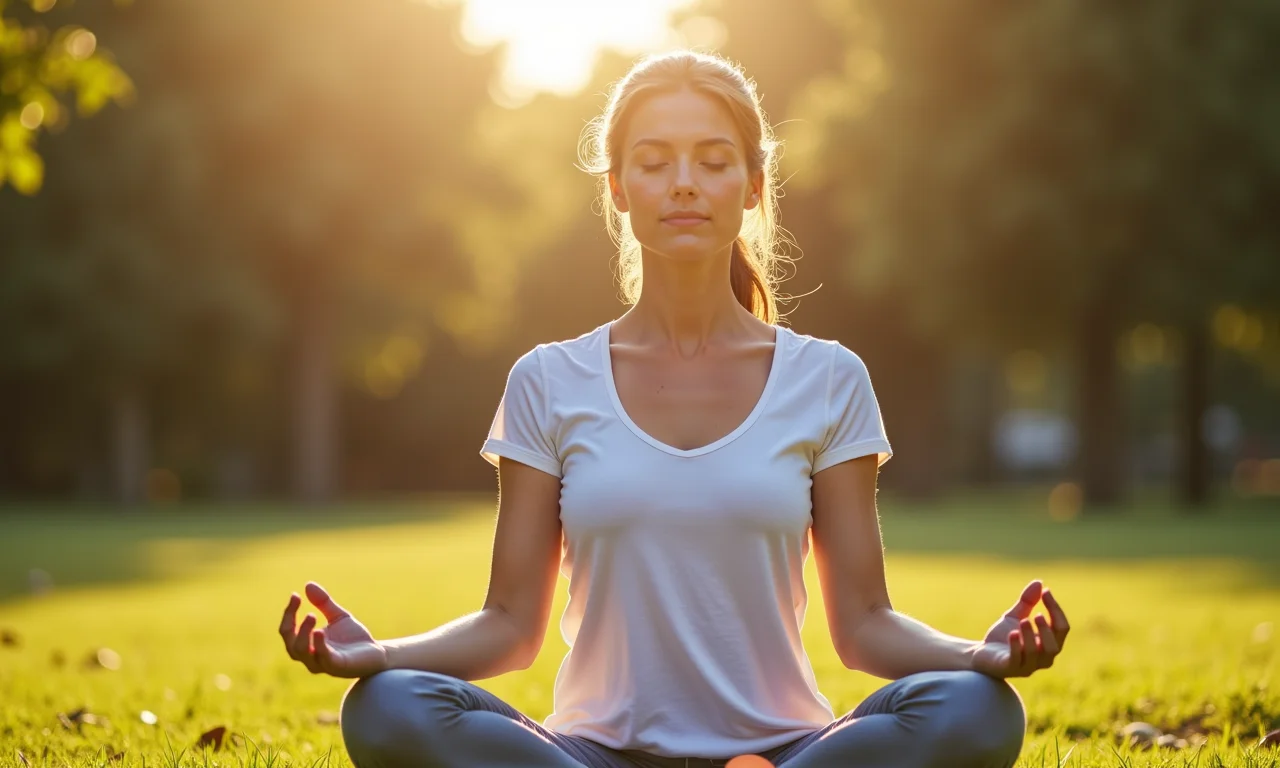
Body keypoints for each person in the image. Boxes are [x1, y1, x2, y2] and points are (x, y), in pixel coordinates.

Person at [278, 50, 1070, 768]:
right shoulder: (548, 380)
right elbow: (511, 626)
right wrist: (378, 654)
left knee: (977, 712)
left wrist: (980, 657)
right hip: (589, 755)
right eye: (654, 163)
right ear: (618, 190)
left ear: (753, 186)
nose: (684, 182)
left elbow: (863, 625)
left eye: (713, 161)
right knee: (385, 708)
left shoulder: (828, 379)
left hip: (786, 753)